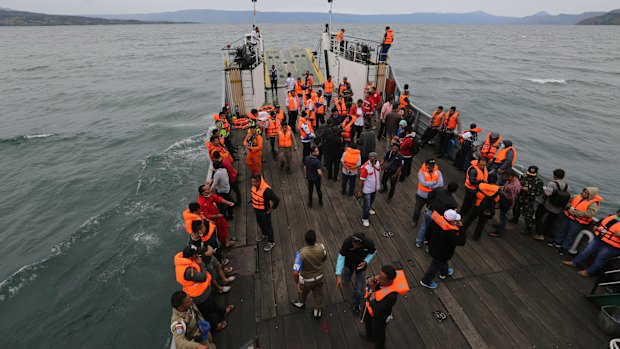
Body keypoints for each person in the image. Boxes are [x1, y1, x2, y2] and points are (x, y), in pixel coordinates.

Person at [174, 246, 234, 333]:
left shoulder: (187, 262)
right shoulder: (188, 271)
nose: (197, 256)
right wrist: (201, 264)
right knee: (208, 314)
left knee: (213, 304)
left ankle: (223, 312)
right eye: (196, 255)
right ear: (190, 257)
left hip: (206, 292)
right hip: (200, 297)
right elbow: (202, 277)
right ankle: (215, 327)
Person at [362, 265, 409, 349]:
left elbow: (376, 308)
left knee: (379, 332)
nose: (378, 279)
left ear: (390, 281)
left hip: (380, 316)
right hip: (368, 309)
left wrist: (373, 289)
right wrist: (370, 280)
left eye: (382, 279)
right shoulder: (378, 279)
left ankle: (380, 346)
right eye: (379, 275)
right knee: (367, 322)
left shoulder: (391, 296)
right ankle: (369, 336)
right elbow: (367, 281)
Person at [561, 209, 620, 276]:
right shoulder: (613, 216)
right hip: (599, 239)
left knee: (600, 258)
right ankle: (574, 262)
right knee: (586, 251)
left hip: (611, 246)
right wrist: (596, 225)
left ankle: (588, 272)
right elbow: (600, 222)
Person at [419, 210, 466, 289]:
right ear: (452, 221)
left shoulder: (436, 222)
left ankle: (444, 272)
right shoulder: (451, 233)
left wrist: (427, 241)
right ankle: (425, 281)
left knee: (442, 261)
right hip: (442, 252)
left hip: (434, 246)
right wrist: (461, 228)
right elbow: (461, 242)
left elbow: (428, 231)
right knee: (435, 266)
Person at [555, 187, 603, 256]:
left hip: (577, 222)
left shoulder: (593, 204)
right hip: (568, 217)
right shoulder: (577, 196)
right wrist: (568, 208)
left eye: (586, 193)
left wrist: (574, 212)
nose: (584, 193)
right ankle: (557, 241)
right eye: (584, 191)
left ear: (591, 195)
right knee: (562, 229)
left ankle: (564, 248)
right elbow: (569, 201)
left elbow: (589, 214)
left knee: (570, 235)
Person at [335, 233, 376, 312]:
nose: (353, 246)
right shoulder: (347, 242)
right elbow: (341, 256)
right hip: (348, 265)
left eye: (356, 245)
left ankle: (356, 304)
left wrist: (366, 261)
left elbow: (373, 252)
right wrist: (338, 275)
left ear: (362, 244)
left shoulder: (369, 243)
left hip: (361, 268)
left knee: (359, 291)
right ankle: (344, 281)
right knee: (345, 281)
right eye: (353, 244)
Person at [291, 230, 327, 318]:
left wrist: (297, 283)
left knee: (302, 293)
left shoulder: (300, 254)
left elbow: (295, 272)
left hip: (306, 280)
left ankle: (300, 303)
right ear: (315, 239)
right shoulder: (321, 248)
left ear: (305, 240)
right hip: (319, 278)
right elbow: (324, 258)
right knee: (318, 295)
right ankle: (317, 311)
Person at [416, 182, 459, 249]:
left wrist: (429, 204)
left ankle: (418, 242)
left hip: (429, 211)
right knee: (433, 232)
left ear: (447, 186)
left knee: (424, 227)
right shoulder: (453, 202)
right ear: (455, 191)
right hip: (438, 218)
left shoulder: (439, 189)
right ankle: (428, 246)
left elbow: (429, 196)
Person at [461, 173, 500, 241]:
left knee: (469, 219)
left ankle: (462, 231)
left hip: (477, 206)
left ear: (487, 179)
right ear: (496, 181)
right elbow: (497, 199)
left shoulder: (481, 185)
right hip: (487, 209)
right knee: (481, 224)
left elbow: (475, 194)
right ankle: (476, 237)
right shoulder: (497, 189)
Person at [536, 169, 571, 242]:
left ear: (555, 175)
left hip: (548, 205)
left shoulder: (552, 183)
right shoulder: (567, 187)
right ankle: (545, 233)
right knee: (550, 222)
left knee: (538, 216)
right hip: (558, 209)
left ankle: (540, 234)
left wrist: (544, 191)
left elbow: (547, 194)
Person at [511, 165, 544, 236]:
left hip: (528, 199)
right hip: (520, 196)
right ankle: (515, 218)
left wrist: (529, 191)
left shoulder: (538, 181)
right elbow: (517, 184)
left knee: (528, 214)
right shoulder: (523, 177)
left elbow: (539, 192)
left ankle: (528, 228)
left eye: (532, 173)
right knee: (516, 208)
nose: (530, 175)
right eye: (529, 172)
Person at [489, 169, 521, 237]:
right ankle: (500, 225)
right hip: (506, 200)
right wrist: (498, 187)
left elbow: (510, 196)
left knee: (503, 216)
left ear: (510, 177)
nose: (504, 178)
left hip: (508, 202)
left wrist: (498, 190)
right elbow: (505, 187)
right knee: (501, 215)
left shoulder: (514, 186)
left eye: (505, 177)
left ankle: (499, 231)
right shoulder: (511, 180)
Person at [252, 175, 280, 252]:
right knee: (260, 223)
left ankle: (271, 242)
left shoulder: (266, 190)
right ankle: (264, 234)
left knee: (268, 226)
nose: (252, 183)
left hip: (264, 212)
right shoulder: (255, 187)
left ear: (258, 182)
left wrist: (271, 209)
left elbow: (276, 200)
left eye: (254, 182)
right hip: (257, 210)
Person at [412, 159, 443, 226]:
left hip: (432, 196)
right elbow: (423, 183)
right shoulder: (421, 172)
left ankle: (428, 223)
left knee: (431, 211)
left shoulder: (438, 172)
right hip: (421, 195)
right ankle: (415, 221)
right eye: (430, 165)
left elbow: (440, 184)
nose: (432, 166)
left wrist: (430, 186)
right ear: (426, 165)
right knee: (417, 209)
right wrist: (434, 183)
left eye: (433, 165)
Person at [358, 152, 381, 227]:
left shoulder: (377, 163)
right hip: (367, 189)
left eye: (375, 158)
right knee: (366, 205)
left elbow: (378, 170)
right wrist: (360, 191)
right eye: (372, 159)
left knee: (372, 200)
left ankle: (369, 208)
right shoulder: (365, 167)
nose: (374, 160)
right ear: (369, 158)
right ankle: (365, 218)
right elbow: (362, 180)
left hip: (374, 188)